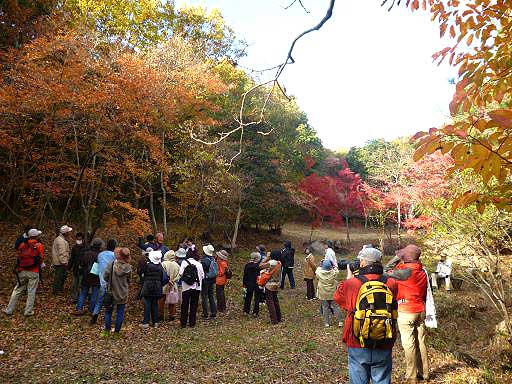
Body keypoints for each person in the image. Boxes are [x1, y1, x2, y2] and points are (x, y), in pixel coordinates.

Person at [333, 247, 398, 384]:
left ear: (363, 263)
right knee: (382, 379)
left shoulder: (351, 283)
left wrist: (349, 276)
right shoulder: (391, 283)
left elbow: (339, 299)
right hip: (384, 339)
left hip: (357, 341)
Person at [385, 245, 429, 383]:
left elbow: (385, 270)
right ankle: (425, 373)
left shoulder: (403, 272)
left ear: (406, 258)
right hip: (421, 309)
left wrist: (397, 257)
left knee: (409, 343)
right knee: (421, 342)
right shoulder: (422, 271)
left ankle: (411, 377)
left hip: (406, 310)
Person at [4, 228, 44, 316]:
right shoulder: (39, 245)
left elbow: (19, 257)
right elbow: (41, 258)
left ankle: (9, 309)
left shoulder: (22, 244)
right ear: (36, 236)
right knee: (31, 291)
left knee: (17, 290)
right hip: (34, 271)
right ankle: (28, 311)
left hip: (21, 270)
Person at [102, 247, 132, 338]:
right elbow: (129, 280)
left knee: (108, 312)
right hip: (122, 292)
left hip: (111, 291)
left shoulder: (111, 264)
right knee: (120, 312)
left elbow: (105, 277)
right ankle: (116, 333)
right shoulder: (128, 267)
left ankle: (106, 331)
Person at [90, 239, 118, 324]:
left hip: (101, 280)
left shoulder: (100, 255)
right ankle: (108, 319)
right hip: (111, 282)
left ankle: (95, 313)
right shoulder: (114, 256)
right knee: (110, 301)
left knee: (99, 300)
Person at [74, 238, 103, 315]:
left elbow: (82, 263)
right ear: (100, 246)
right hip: (96, 276)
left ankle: (79, 309)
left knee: (83, 293)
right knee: (94, 294)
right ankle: (91, 310)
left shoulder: (86, 253)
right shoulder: (100, 255)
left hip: (86, 275)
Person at [139, 250, 166, 328]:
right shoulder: (160, 266)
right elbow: (162, 277)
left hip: (148, 286)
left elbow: (140, 272)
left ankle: (146, 322)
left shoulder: (147, 265)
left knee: (147, 304)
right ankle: (155, 322)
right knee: (155, 304)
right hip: (157, 287)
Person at [179, 249, 204, 328]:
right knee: (194, 305)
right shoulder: (199, 264)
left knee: (185, 305)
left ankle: (183, 323)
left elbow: (180, 273)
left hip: (186, 287)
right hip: (197, 287)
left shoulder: (184, 263)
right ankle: (192, 323)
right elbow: (202, 276)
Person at [316, 260, 343, 327]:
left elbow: (318, 268)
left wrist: (321, 263)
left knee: (325, 307)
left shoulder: (319, 272)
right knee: (336, 307)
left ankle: (326, 323)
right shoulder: (334, 273)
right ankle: (340, 321)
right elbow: (336, 269)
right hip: (332, 292)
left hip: (323, 293)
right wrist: (332, 265)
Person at [261, 250, 282, 324]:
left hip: (269, 285)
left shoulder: (271, 263)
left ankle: (274, 320)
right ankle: (279, 317)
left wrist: (267, 257)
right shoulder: (279, 263)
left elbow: (260, 265)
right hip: (276, 284)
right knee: (275, 301)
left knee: (270, 302)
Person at [52, 225, 73, 294]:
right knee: (59, 277)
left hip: (58, 262)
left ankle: (58, 289)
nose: (69, 233)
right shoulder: (61, 241)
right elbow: (62, 253)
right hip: (60, 263)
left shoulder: (59, 239)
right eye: (68, 232)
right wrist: (65, 263)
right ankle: (57, 290)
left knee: (59, 277)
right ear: (66, 233)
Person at [160, 250, 180, 321]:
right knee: (172, 300)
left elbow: (161, 274)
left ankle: (161, 316)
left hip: (164, 284)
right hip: (173, 285)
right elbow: (179, 275)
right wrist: (173, 280)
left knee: (161, 300)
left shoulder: (163, 264)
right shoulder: (177, 265)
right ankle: (172, 315)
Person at [68, 232, 87, 303]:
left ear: (83, 239)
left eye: (80, 239)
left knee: (82, 285)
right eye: (77, 239)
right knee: (74, 285)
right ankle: (75, 298)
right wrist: (69, 267)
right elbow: (72, 258)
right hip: (75, 269)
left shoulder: (86, 248)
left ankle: (82, 299)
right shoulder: (74, 248)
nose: (79, 240)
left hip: (83, 270)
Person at [201, 244, 218, 320]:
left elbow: (201, 270)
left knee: (204, 296)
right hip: (212, 279)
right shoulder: (213, 259)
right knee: (211, 295)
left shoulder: (204, 261)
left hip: (205, 280)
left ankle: (206, 314)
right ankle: (214, 312)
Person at [242, 252, 261, 317]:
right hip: (257, 284)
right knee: (257, 298)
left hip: (249, 284)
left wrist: (244, 284)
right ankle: (255, 312)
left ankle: (246, 311)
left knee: (248, 297)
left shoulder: (247, 265)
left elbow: (245, 276)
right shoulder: (259, 266)